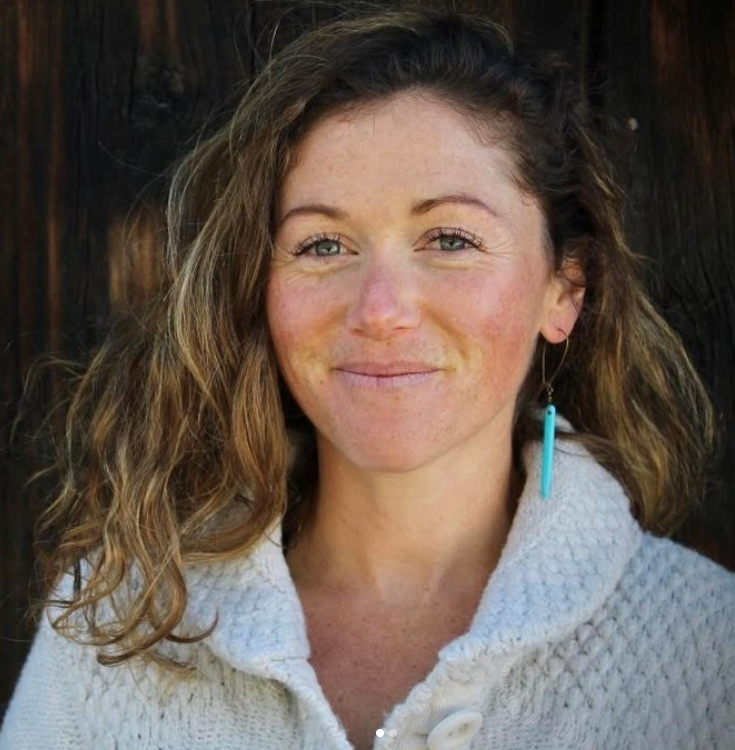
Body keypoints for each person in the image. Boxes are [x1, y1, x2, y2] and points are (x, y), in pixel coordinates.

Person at [1, 7, 733, 750]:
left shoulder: (705, 652)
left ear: (565, 289)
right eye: (322, 245)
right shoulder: (116, 632)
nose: (380, 310)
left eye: (449, 239)